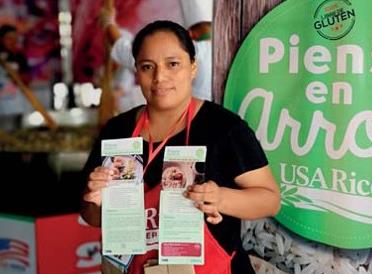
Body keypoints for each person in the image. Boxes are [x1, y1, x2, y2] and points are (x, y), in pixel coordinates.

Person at [80, 20, 280, 274]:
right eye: (147, 67)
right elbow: (91, 216)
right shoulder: (116, 132)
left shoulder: (224, 128)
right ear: (137, 72)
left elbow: (270, 200)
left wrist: (221, 198)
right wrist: (95, 202)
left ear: (193, 68)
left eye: (173, 64)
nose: (159, 77)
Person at [0, 24, 30, 127]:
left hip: (16, 103)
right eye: (9, 38)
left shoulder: (19, 57)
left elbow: (26, 79)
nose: (12, 41)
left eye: (15, 38)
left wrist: (16, 76)